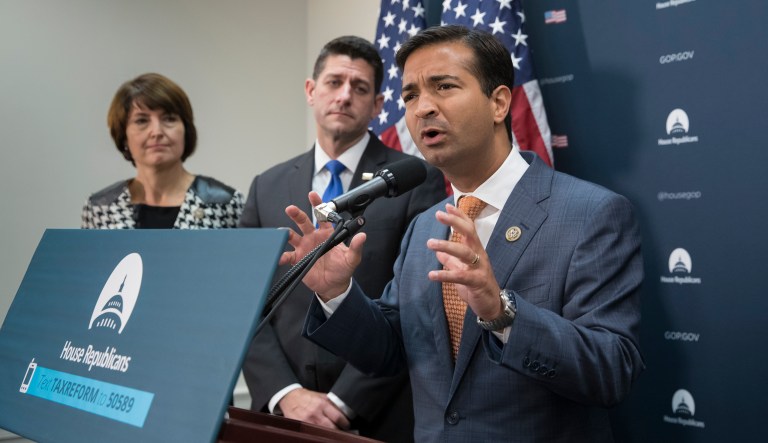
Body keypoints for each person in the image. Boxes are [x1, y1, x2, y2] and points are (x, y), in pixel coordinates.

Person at [280, 26, 645, 442]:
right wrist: (337, 294)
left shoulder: (591, 214)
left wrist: (501, 311)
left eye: (444, 87)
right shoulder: (425, 226)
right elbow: (390, 352)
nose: (422, 109)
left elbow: (612, 370)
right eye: (411, 95)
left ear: (499, 102)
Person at [239, 36, 445, 442]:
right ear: (311, 91)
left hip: (376, 415)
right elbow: (245, 299)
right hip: (279, 413)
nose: (345, 95)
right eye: (334, 82)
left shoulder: (413, 180)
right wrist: (286, 393)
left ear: (377, 105)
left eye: (360, 88)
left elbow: (418, 306)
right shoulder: (267, 185)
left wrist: (342, 403)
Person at [82, 73, 243, 229]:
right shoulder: (100, 207)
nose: (156, 132)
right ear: (123, 135)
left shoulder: (225, 203)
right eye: (142, 121)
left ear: (186, 130)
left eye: (169, 119)